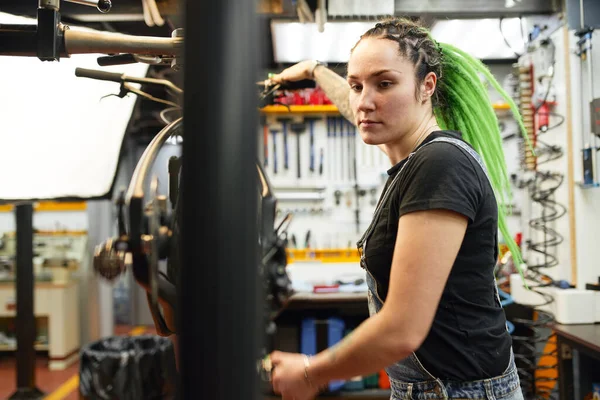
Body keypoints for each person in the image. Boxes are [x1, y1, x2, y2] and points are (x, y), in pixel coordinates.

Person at [266, 18, 527, 400]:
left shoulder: (439, 164)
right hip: (433, 388)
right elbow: (360, 108)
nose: (363, 102)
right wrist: (315, 70)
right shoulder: (419, 156)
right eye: (356, 85)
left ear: (427, 86)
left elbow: (402, 329)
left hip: (457, 392)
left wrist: (310, 372)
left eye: (384, 83)